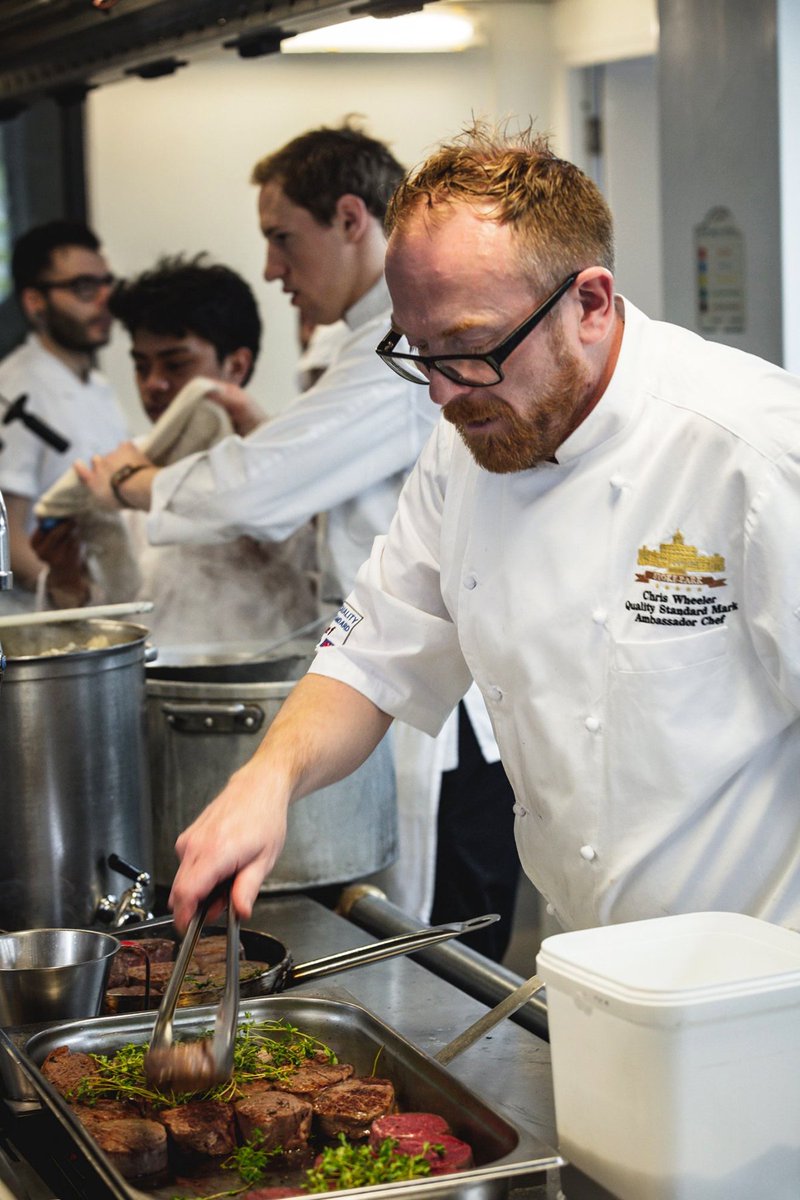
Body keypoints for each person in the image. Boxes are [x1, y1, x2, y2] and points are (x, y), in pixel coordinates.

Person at [167, 121, 800, 942]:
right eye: (417, 352)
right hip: (587, 964)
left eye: (469, 349)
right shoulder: (466, 443)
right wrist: (267, 779)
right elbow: (370, 653)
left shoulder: (752, 450)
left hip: (763, 985)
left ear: (591, 304)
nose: (441, 394)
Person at [77, 122, 519, 959]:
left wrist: (130, 485)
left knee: (444, 959)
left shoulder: (396, 351)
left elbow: (259, 485)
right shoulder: (360, 349)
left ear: (352, 219)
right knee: (406, 940)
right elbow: (314, 480)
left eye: (282, 240)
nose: (273, 268)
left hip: (435, 711)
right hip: (381, 677)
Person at [34, 253, 318, 645]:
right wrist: (67, 579)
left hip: (267, 694)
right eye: (141, 366)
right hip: (150, 695)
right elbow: (96, 633)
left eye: (176, 365)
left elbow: (331, 589)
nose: (154, 384)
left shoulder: (286, 468)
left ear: (236, 366)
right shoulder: (114, 478)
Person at [0, 219, 125, 611]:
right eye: (84, 288)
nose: (104, 300)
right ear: (36, 301)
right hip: (40, 624)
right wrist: (79, 598)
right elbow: (8, 532)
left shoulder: (99, 386)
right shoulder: (16, 387)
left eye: (107, 283)